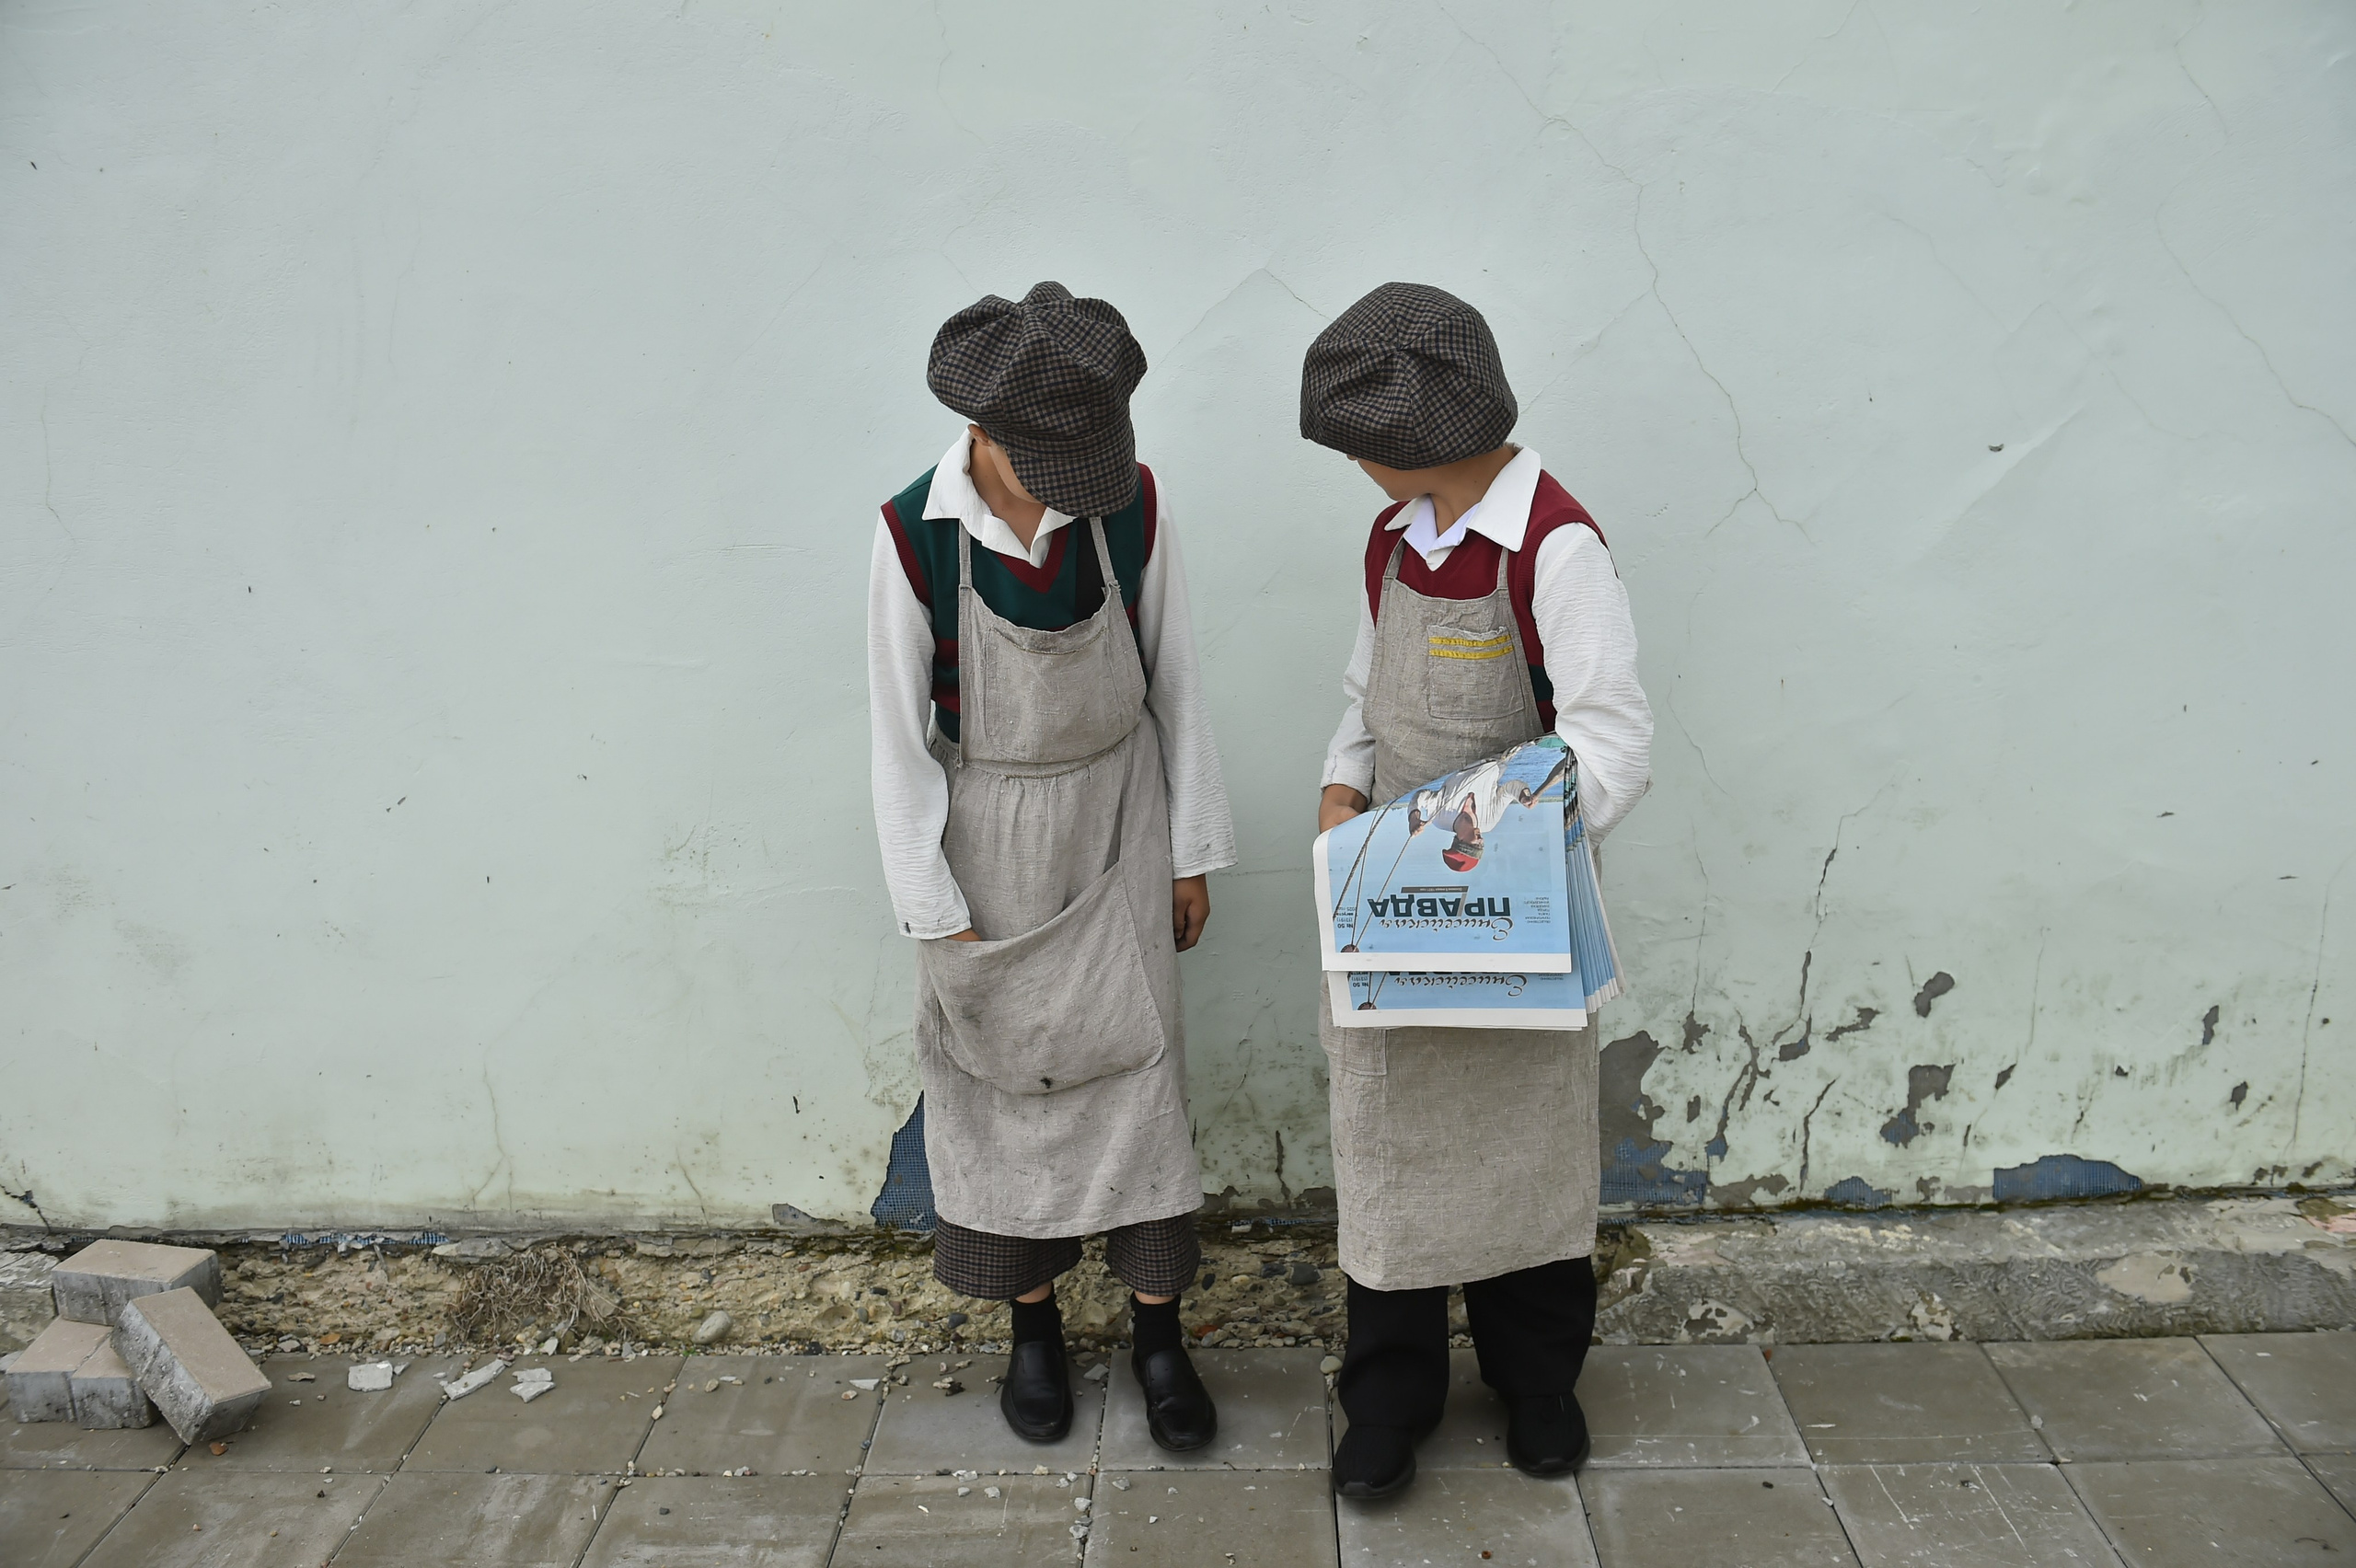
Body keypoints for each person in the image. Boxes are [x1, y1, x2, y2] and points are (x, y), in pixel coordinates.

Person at [866, 282, 1237, 1451]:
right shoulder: (909, 534)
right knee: (1002, 1086)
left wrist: (1192, 852)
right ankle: (1031, 1333)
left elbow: (1176, 677)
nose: (1078, 488)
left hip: (1122, 819)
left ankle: (1158, 1335)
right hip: (990, 841)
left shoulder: (1130, 509)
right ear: (982, 435)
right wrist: (933, 909)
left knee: (1141, 1081)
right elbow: (893, 737)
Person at [1301, 282, 1654, 1499]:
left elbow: (1614, 747)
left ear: (1410, 443)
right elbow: (1365, 697)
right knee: (1391, 1143)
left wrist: (1490, 829)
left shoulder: (1555, 547)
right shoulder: (1399, 538)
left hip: (1517, 907)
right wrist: (1347, 789)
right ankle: (1389, 1396)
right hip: (1393, 900)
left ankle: (1538, 1383)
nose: (1352, 463)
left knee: (1524, 1152)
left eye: (1355, 442)